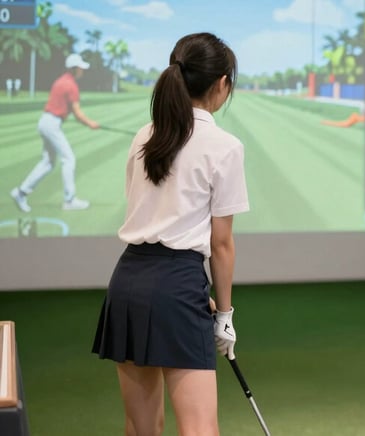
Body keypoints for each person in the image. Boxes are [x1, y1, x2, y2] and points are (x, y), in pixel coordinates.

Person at [91, 32, 249, 436]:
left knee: (141, 427)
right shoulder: (225, 146)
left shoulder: (144, 135)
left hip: (129, 283)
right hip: (177, 285)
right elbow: (222, 244)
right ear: (222, 84)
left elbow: (149, 216)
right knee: (199, 428)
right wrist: (225, 316)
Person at [10, 53, 100, 212]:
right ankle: (69, 200)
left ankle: (21, 192)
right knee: (69, 159)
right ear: (74, 69)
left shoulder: (61, 81)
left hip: (47, 121)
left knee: (48, 163)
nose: (82, 71)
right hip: (51, 124)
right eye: (80, 68)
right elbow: (77, 113)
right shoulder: (71, 85)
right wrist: (90, 123)